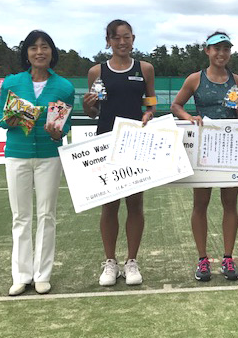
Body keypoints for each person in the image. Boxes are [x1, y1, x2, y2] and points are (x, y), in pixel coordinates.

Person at [0, 30, 75, 296]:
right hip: (17, 153)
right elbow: (2, 117)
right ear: (26, 53)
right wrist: (9, 119)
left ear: (52, 52)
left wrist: (57, 132)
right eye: (33, 48)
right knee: (20, 216)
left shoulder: (64, 87)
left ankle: (43, 275)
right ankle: (21, 275)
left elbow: (64, 126)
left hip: (49, 156)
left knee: (47, 215)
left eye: (44, 47)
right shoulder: (11, 83)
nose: (39, 52)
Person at [82, 19, 156, 286]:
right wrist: (87, 105)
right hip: (105, 143)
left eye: (126, 37)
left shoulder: (145, 68)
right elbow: (92, 112)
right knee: (109, 204)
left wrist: (148, 114)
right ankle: (110, 262)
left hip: (136, 143)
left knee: (135, 203)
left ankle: (132, 261)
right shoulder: (96, 71)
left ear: (133, 38)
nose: (122, 42)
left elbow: (150, 103)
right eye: (116, 38)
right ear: (108, 41)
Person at [171, 31, 238, 282]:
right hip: (203, 150)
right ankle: (202, 259)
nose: (221, 54)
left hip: (229, 149)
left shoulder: (237, 80)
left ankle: (228, 258)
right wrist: (189, 118)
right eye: (216, 49)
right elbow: (176, 106)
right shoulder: (195, 79)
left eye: (226, 49)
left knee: (230, 203)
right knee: (200, 204)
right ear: (207, 51)